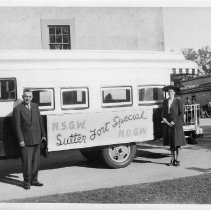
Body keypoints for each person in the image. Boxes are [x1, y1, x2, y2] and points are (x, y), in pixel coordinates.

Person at [12, 89, 46, 190]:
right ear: (23, 97)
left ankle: (34, 180)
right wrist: (21, 140)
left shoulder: (35, 106)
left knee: (36, 161)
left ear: (32, 97)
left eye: (30, 96)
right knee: (27, 162)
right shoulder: (18, 109)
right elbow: (16, 126)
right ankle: (26, 182)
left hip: (37, 138)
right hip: (25, 141)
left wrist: (43, 135)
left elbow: (40, 121)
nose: (28, 98)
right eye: (26, 96)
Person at [161, 85, 185, 166]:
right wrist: (164, 118)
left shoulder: (178, 101)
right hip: (168, 124)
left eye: (171, 91)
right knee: (171, 143)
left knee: (177, 143)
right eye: (168, 91)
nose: (170, 93)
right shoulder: (165, 101)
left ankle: (177, 159)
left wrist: (174, 121)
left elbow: (181, 114)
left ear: (174, 92)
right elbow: (163, 113)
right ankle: (172, 159)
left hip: (176, 125)